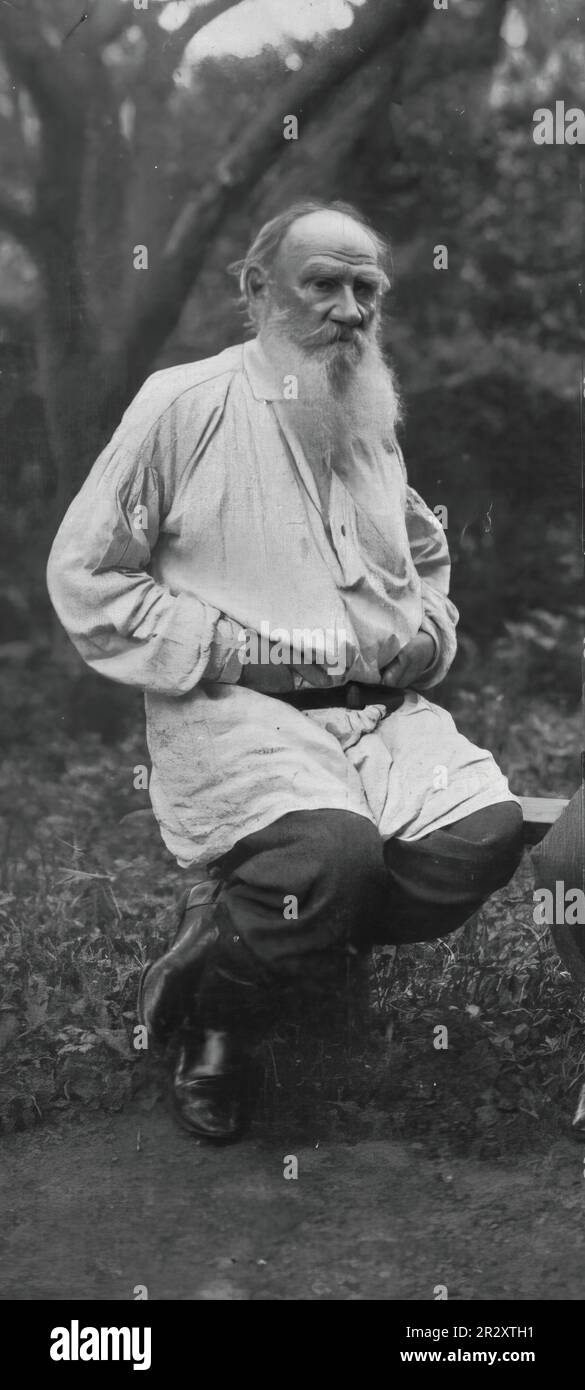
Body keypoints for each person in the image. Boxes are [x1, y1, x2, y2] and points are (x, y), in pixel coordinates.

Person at [47, 200, 524, 1141]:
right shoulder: (183, 403)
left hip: (378, 718)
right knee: (333, 858)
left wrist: (424, 636)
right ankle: (219, 1020)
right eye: (324, 284)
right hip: (241, 712)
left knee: (483, 839)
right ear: (257, 290)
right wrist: (223, 647)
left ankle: (247, 934)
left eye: (366, 288)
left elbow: (421, 562)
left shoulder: (368, 410)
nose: (350, 309)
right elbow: (86, 572)